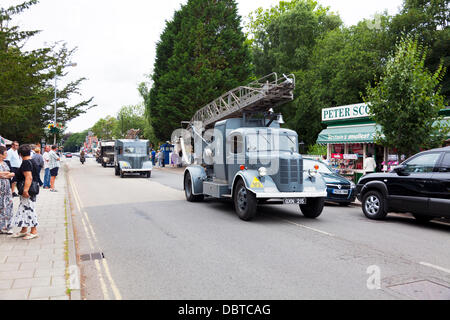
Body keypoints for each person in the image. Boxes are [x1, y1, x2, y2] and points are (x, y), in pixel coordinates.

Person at [9, 144, 40, 240]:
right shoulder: (33, 161)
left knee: (29, 209)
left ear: (20, 154)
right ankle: (24, 229)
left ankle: (34, 231)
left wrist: (25, 190)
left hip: (28, 190)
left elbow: (29, 177)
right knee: (23, 209)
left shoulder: (26, 162)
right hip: (32, 189)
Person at [0, 146, 14, 234]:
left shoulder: (6, 163)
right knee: (0, 207)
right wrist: (6, 174)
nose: (6, 155)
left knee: (8, 206)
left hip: (7, 188)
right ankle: (1, 227)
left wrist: (3, 175)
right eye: (5, 153)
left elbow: (12, 173)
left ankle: (9, 226)